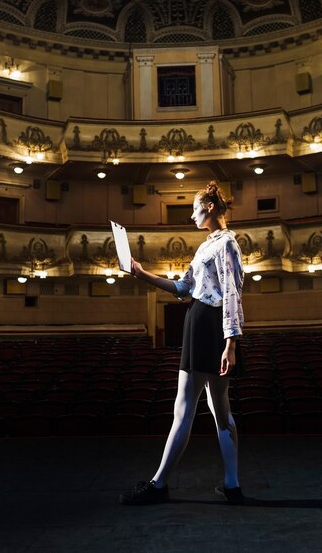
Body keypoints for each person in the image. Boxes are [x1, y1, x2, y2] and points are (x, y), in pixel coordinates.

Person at [119, 181, 245, 505]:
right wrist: (142, 273)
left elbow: (232, 294)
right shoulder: (206, 246)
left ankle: (159, 484)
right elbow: (182, 286)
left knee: (186, 408)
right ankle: (232, 486)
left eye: (195, 208)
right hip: (202, 322)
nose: (191, 215)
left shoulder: (227, 244)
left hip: (209, 325)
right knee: (218, 410)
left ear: (211, 207)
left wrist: (230, 343)